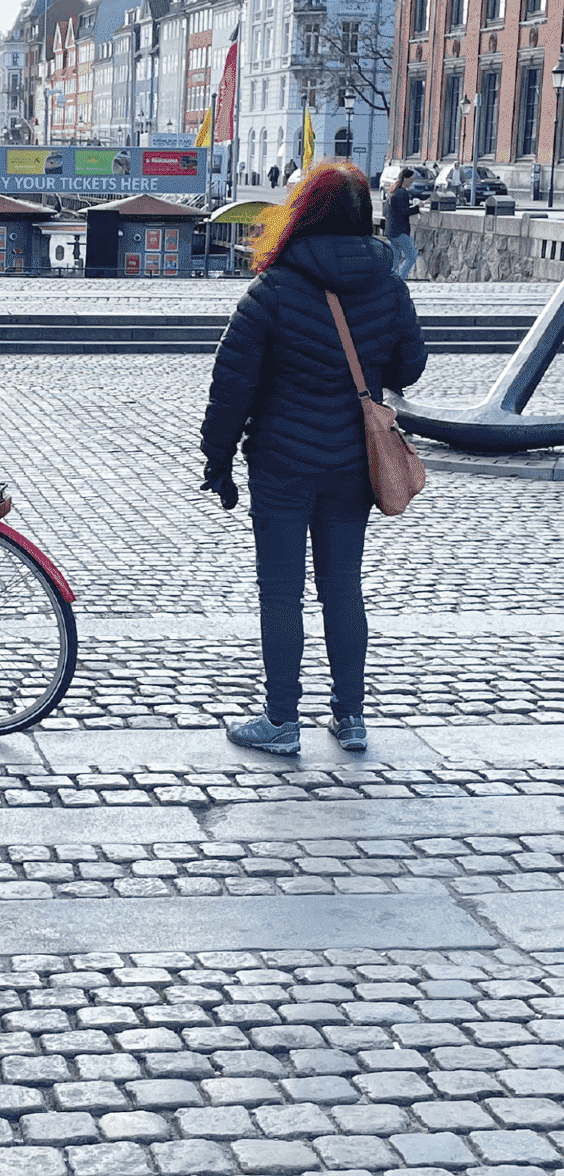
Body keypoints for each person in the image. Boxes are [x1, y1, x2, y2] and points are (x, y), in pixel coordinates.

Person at [199, 161, 426, 756]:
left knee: (281, 595)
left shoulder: (273, 288)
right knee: (343, 588)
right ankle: (350, 718)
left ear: (301, 211)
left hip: (281, 463)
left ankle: (281, 720)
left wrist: (216, 460)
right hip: (354, 462)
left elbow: (232, 386)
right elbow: (408, 368)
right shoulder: (389, 283)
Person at [385, 166, 420, 282]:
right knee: (412, 256)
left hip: (390, 231)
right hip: (400, 231)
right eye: (412, 178)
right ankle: (399, 280)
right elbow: (404, 212)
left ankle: (387, 281)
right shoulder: (402, 193)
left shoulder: (393, 191)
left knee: (394, 258)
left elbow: (387, 211)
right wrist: (417, 208)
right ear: (406, 179)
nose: (413, 180)